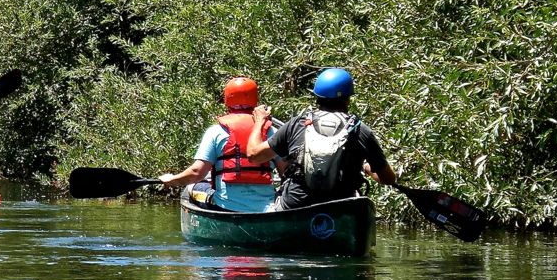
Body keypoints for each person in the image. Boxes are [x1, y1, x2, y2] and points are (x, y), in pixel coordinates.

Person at [246, 67, 396, 210]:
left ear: (317, 96)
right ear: (348, 99)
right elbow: (388, 179)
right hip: (340, 207)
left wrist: (260, 121)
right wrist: (367, 167)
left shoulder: (297, 124)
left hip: (296, 204)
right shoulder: (360, 130)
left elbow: (254, 155)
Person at [158, 77, 280, 213]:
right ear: (255, 100)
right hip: (268, 209)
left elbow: (196, 173)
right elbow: (286, 171)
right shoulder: (273, 132)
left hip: (226, 207)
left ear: (227, 100)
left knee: (191, 187)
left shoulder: (216, 132)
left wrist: (171, 180)